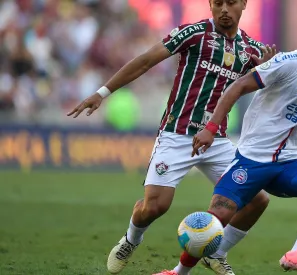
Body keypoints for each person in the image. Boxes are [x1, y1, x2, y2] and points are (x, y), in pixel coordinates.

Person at [67, 1, 277, 274]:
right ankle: (131, 240)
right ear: (211, 5)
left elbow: (277, 90)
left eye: (231, 2)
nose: (224, 9)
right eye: (218, 3)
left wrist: (269, 73)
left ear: (244, 4)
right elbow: (145, 61)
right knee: (155, 206)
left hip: (216, 139)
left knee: (258, 200)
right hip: (177, 134)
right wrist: (102, 93)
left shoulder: (252, 50)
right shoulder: (193, 33)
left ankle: (217, 253)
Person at [153, 10, 297, 275]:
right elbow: (237, 87)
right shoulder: (289, 62)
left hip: (289, 165)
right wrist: (211, 128)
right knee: (215, 221)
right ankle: (178, 272)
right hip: (251, 161)